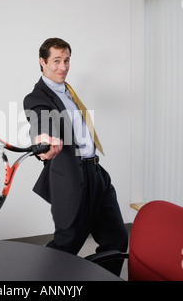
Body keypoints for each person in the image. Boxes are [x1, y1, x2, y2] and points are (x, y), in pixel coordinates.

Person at [23, 38, 128, 271]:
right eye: (56, 61)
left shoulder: (68, 92)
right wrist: (44, 139)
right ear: (42, 62)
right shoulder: (37, 97)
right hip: (72, 177)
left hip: (96, 174)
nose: (63, 67)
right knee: (66, 247)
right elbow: (40, 121)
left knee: (117, 239)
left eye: (67, 60)